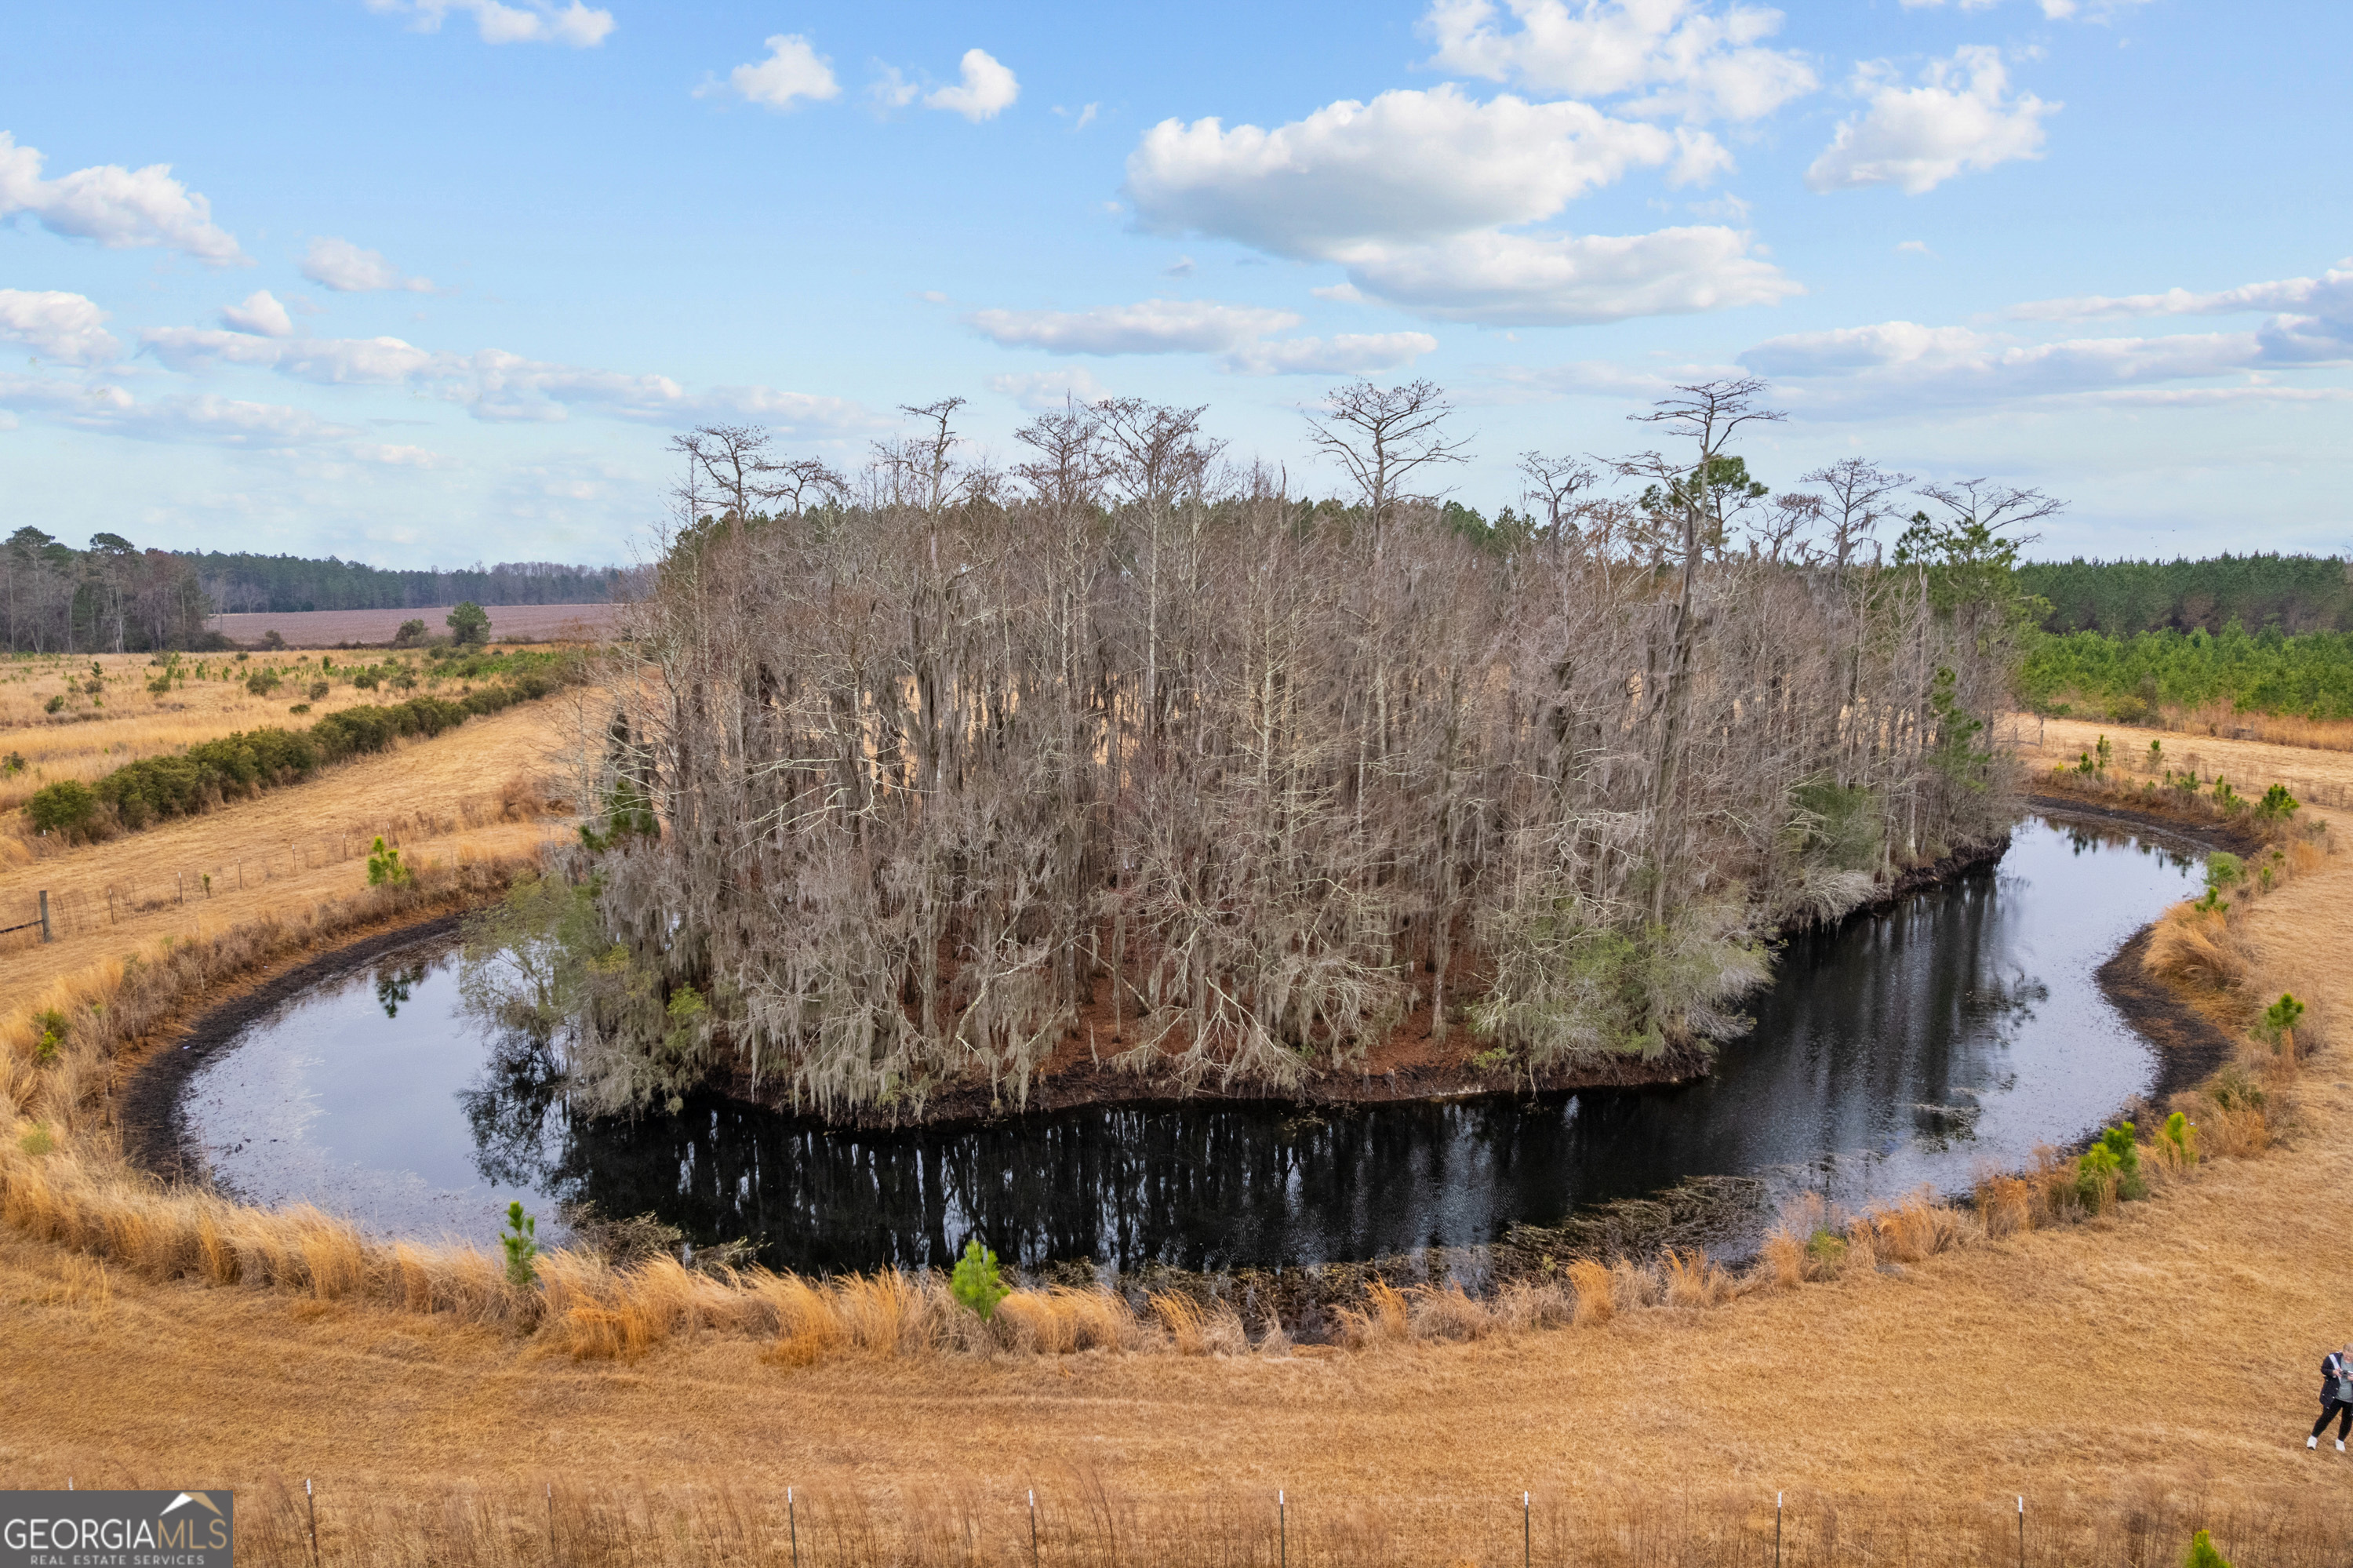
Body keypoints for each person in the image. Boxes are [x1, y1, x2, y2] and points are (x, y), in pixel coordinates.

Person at [2311, 1345, 2353, 1450]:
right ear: (2343, 1351)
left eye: (2351, 1356)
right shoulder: (2333, 1359)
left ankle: (2340, 1440)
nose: (2348, 1358)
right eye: (2347, 1355)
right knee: (2326, 1417)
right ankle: (2313, 1438)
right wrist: (2333, 1372)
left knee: (2347, 1421)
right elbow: (2324, 1369)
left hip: (2350, 1401)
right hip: (2335, 1397)